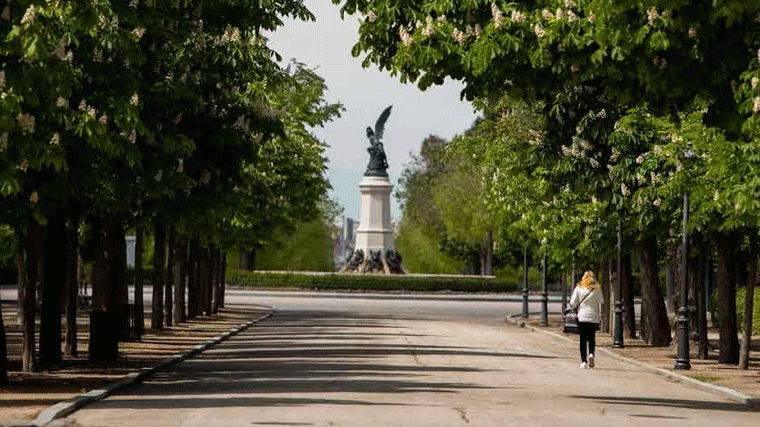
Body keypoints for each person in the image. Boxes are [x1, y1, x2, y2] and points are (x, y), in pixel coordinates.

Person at [569, 270, 604, 369]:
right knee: (592, 337)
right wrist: (599, 317)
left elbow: (572, 303)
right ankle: (591, 353)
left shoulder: (579, 288)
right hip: (593, 317)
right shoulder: (597, 290)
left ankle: (584, 361)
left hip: (582, 317)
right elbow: (600, 303)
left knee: (583, 339)